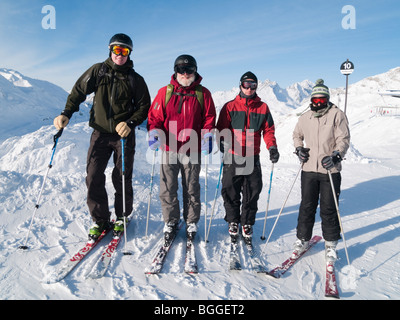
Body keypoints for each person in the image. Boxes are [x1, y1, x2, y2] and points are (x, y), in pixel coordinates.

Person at [53, 33, 151, 239]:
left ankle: (122, 216)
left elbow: (144, 107)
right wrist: (66, 113)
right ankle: (100, 219)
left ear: (129, 53)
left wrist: (131, 123)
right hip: (99, 132)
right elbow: (79, 91)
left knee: (122, 177)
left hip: (123, 135)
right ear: (110, 50)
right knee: (93, 175)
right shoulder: (98, 71)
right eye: (117, 50)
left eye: (125, 51)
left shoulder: (135, 79)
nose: (120, 55)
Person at [147, 54, 216, 242]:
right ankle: (171, 220)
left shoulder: (203, 93)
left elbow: (209, 118)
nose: (185, 74)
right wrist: (154, 132)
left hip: (192, 148)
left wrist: (208, 135)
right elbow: (155, 118)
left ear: (195, 71)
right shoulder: (165, 92)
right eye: (181, 70)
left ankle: (191, 221)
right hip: (169, 147)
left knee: (191, 187)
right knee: (168, 187)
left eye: (189, 70)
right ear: (175, 71)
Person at [216, 71, 279, 244]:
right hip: (233, 154)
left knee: (252, 191)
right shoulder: (229, 106)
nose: (249, 88)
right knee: (230, 189)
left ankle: (247, 223)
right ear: (240, 85)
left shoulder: (263, 107)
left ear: (256, 87)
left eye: (253, 85)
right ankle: (233, 221)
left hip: (252, 155)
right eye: (246, 84)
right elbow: (221, 128)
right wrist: (223, 142)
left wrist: (272, 147)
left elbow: (268, 130)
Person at [293, 79, 350, 262]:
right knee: (307, 206)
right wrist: (299, 149)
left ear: (327, 99)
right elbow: (297, 135)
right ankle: (303, 239)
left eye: (322, 100)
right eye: (315, 100)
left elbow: (344, 139)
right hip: (309, 168)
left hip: (329, 170)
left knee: (329, 208)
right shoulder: (305, 116)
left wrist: (336, 155)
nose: (318, 103)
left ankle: (331, 244)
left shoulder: (337, 115)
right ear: (311, 100)